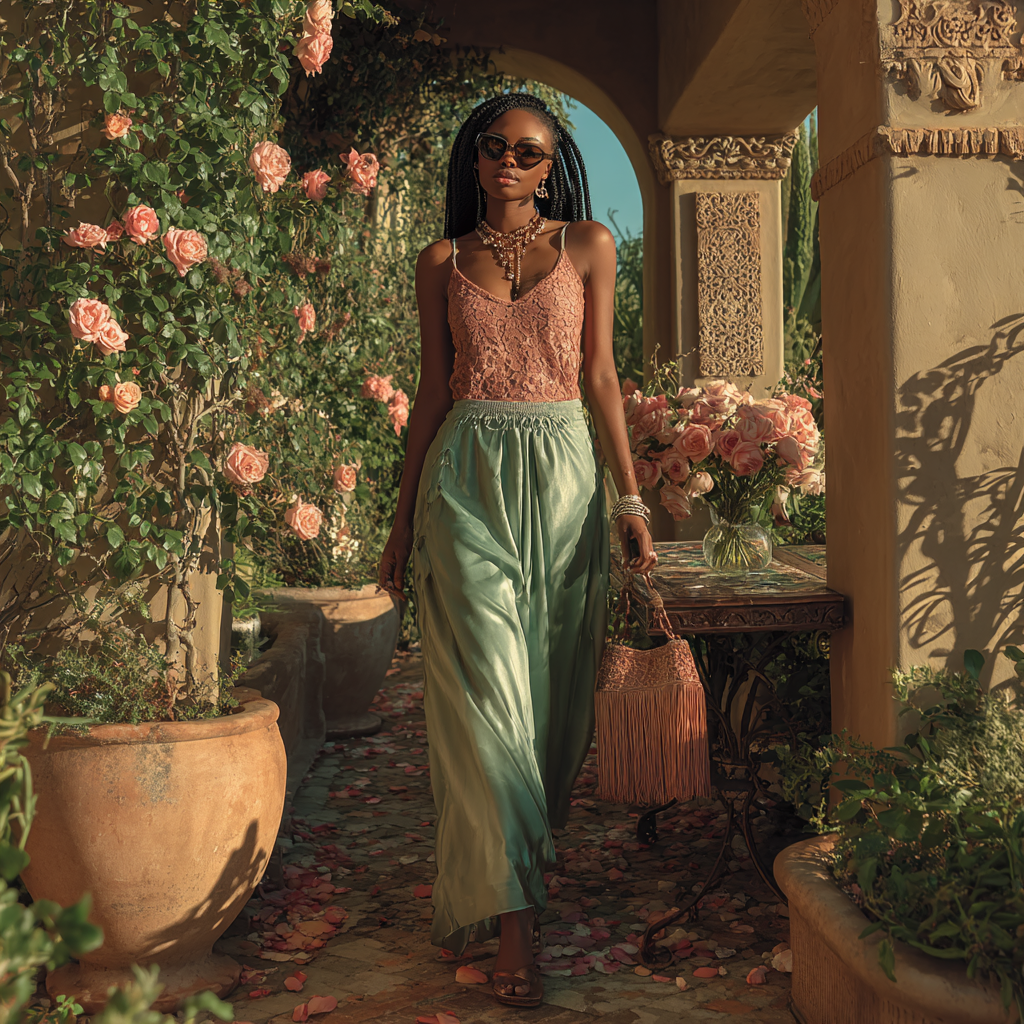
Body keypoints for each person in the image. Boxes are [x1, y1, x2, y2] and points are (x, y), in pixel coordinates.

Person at [377, 93, 657, 1009]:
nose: (509, 161)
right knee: (489, 697)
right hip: (467, 483)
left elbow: (602, 376)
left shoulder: (589, 246)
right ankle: (515, 929)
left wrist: (629, 498)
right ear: (475, 157)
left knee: (549, 706)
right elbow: (432, 391)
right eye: (494, 146)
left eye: (529, 152)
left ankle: (517, 866)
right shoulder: (440, 261)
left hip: (566, 484)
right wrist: (401, 518)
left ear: (551, 165)